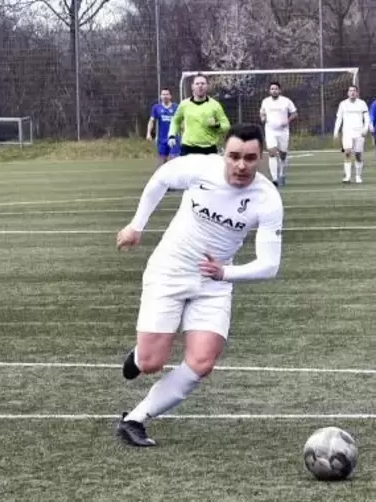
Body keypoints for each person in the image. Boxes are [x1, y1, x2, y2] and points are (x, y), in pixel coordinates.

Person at [114, 123, 283, 447]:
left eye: (250, 158)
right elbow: (161, 178)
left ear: (261, 158)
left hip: (215, 282)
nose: (241, 165)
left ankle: (135, 419)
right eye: (234, 156)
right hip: (169, 271)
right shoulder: (199, 167)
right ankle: (140, 356)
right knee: (151, 363)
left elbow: (269, 265)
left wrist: (225, 275)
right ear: (224, 153)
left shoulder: (267, 199)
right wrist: (136, 226)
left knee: (202, 362)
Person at [168, 74, 230, 156]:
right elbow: (175, 120)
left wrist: (216, 125)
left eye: (203, 83)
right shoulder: (184, 104)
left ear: (207, 86)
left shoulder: (215, 105)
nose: (200, 86)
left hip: (209, 149)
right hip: (188, 147)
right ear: (192, 87)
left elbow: (226, 125)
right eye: (197, 84)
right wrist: (172, 135)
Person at [259, 82, 298, 187]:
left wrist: (288, 121)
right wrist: (262, 118)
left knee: (283, 154)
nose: (274, 90)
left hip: (283, 131)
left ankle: (282, 174)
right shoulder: (265, 101)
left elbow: (294, 113)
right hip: (270, 130)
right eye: (272, 89)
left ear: (279, 90)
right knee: (272, 152)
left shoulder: (286, 101)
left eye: (276, 89)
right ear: (269, 91)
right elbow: (262, 113)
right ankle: (274, 179)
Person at [334, 85, 370, 184]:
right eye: (350, 90)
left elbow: (367, 118)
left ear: (357, 93)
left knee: (358, 155)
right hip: (347, 132)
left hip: (359, 132)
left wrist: (365, 129)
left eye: (354, 90)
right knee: (347, 152)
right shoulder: (343, 104)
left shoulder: (362, 103)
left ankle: (358, 176)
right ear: (347, 93)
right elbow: (339, 118)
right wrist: (336, 131)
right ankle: (348, 177)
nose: (352, 92)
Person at [147, 88, 180, 165]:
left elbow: (181, 122)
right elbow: (151, 121)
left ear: (170, 96)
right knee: (161, 163)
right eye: (163, 94)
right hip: (161, 139)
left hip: (174, 138)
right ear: (160, 96)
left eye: (167, 94)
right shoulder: (156, 108)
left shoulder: (176, 107)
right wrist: (148, 133)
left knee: (174, 161)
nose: (165, 96)